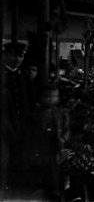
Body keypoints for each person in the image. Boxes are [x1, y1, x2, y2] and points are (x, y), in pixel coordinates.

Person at [2, 42, 36, 196]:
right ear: (5, 55)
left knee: (21, 157)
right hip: (3, 127)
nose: (17, 59)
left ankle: (17, 190)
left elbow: (31, 101)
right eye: (14, 55)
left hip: (22, 126)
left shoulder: (24, 76)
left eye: (21, 55)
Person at [28, 83, 69, 200]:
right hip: (40, 148)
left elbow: (66, 130)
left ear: (58, 98)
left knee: (56, 174)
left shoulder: (61, 113)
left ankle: (56, 193)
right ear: (40, 98)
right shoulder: (34, 115)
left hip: (56, 147)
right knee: (41, 174)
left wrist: (63, 139)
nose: (50, 100)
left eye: (54, 97)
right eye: (47, 97)